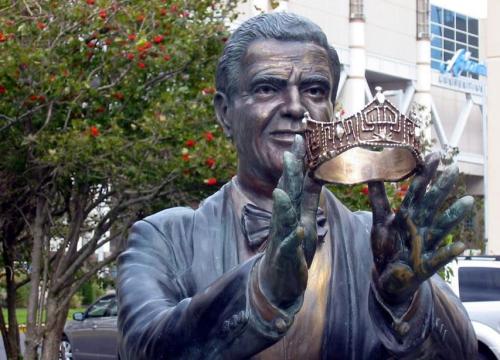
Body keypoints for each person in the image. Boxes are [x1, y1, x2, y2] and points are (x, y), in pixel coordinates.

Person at [117, 12, 477, 359]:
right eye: (267, 88)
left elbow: (463, 350)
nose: (294, 106)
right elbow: (143, 345)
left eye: (315, 90)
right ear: (225, 113)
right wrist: (262, 292)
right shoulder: (165, 238)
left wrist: (407, 303)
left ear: (331, 113)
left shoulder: (376, 242)